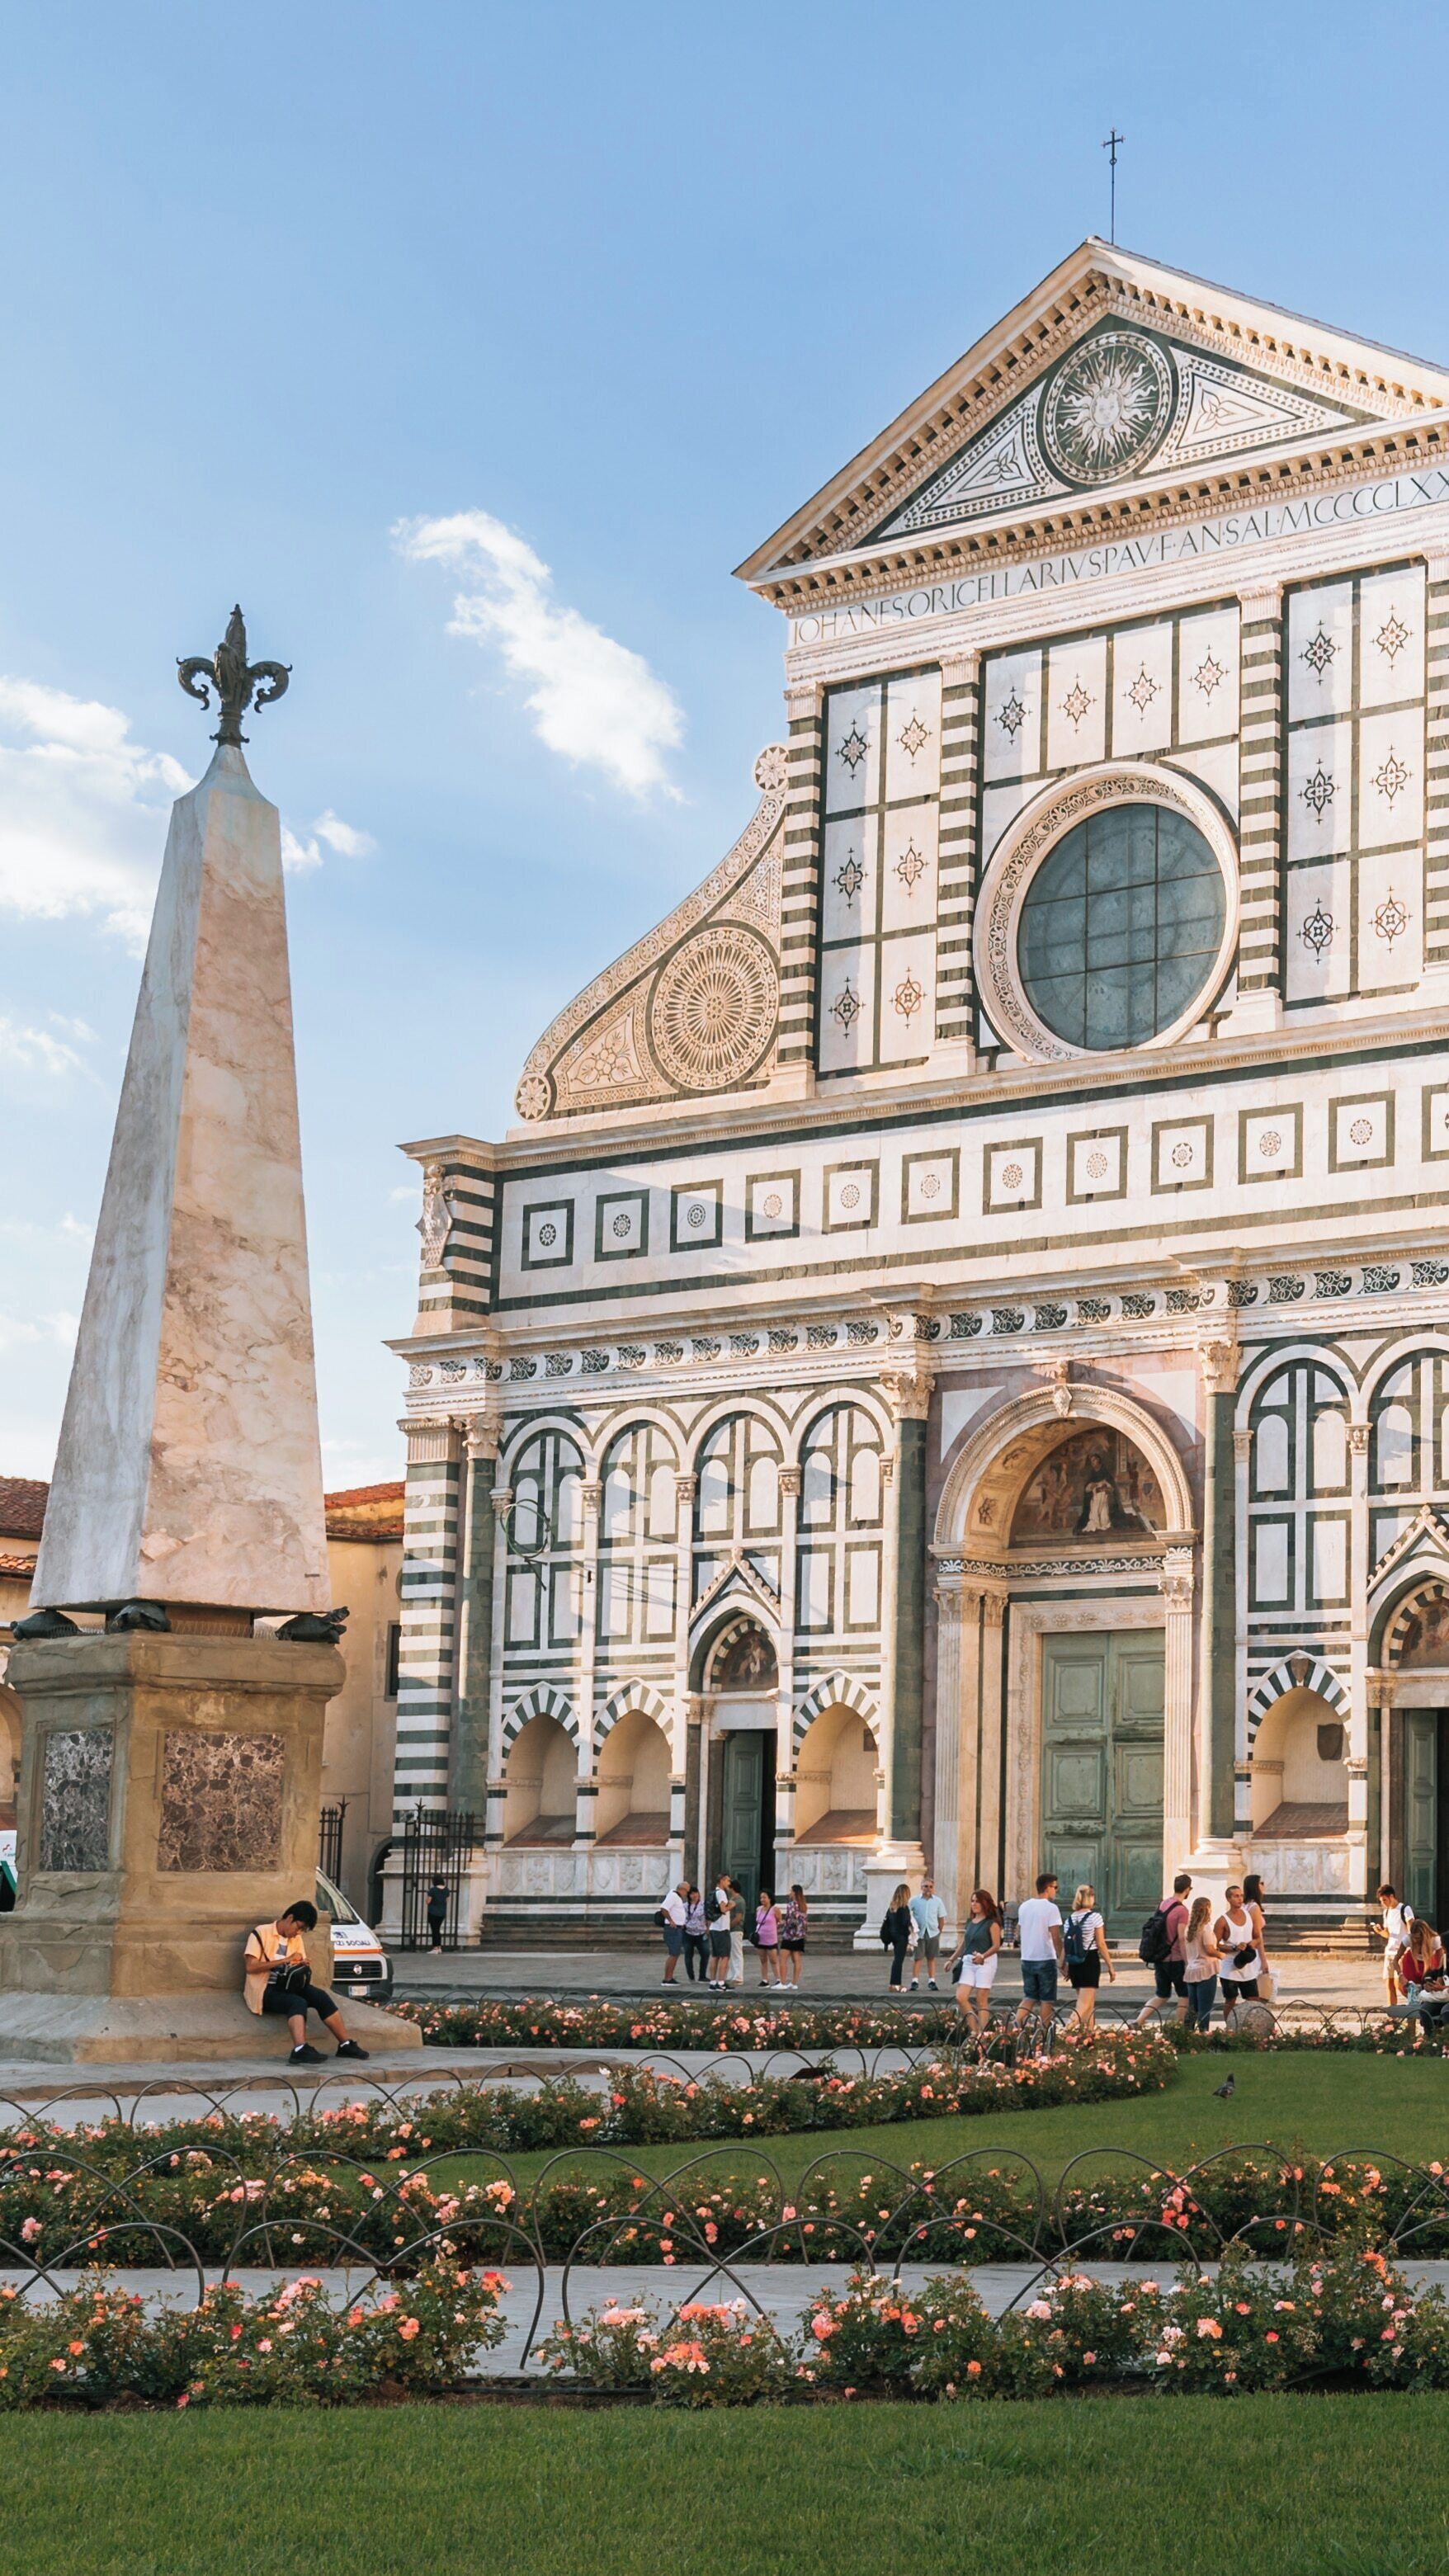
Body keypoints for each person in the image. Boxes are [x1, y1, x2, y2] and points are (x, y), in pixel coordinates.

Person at [243, 1901, 369, 2064]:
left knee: (320, 1996)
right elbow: (250, 1967)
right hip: (265, 1989)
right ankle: (300, 2049)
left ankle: (345, 2044)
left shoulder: (296, 1939)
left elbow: (296, 1961)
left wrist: (301, 1964)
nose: (298, 1933)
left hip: (289, 1985)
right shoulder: (261, 1933)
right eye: (298, 1927)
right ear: (290, 1918)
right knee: (297, 2003)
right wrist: (285, 1961)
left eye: (303, 1930)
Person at [1135, 1872, 1192, 2027]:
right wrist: (1187, 1961)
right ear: (1188, 1890)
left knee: (1162, 1994)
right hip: (1175, 1958)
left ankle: (1139, 2020)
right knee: (1184, 1994)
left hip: (1160, 1957)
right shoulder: (1182, 1911)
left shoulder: (1163, 1904)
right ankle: (1178, 2026)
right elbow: (1181, 1937)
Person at [1014, 1871, 1064, 2044]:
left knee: (1029, 1995)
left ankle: (1016, 2025)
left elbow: (1018, 1931)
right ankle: (1043, 2035)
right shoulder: (1051, 1908)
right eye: (1055, 1887)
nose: (1056, 1891)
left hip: (1027, 1958)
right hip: (1045, 1957)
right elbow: (1056, 1936)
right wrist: (1062, 1959)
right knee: (1047, 1998)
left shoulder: (1024, 1906)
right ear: (1047, 1888)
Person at [1062, 1881, 1115, 2033]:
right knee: (1084, 2005)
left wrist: (1063, 1964)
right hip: (1089, 1961)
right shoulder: (1095, 1917)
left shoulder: (1070, 1920)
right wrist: (1110, 1966)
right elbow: (1101, 1944)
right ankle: (1064, 2031)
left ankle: (1088, 2037)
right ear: (1090, 1897)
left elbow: (1066, 1944)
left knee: (1089, 2004)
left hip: (1075, 1963)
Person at [954, 1888, 1003, 2038]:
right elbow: (964, 1943)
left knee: (981, 1999)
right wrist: (952, 1958)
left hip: (986, 1962)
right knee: (961, 1997)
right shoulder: (970, 1922)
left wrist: (983, 1956)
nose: (974, 1904)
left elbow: (996, 1945)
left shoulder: (991, 1924)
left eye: (977, 1901)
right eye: (972, 1901)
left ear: (984, 1904)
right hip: (969, 1961)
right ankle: (973, 2030)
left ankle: (983, 2034)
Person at [1215, 1881, 1263, 2019]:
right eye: (1236, 1896)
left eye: (1241, 1896)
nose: (1240, 1899)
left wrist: (1252, 1944)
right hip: (1230, 1968)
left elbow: (1257, 1937)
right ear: (1229, 1899)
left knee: (1253, 1999)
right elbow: (1215, 1944)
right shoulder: (1222, 1921)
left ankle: (1252, 2027)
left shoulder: (1249, 1915)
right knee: (1230, 2001)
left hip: (1248, 1965)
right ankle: (1229, 2028)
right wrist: (1234, 1947)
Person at [1182, 1895, 1221, 2032]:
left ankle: (1186, 2033)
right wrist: (1221, 1955)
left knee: (1192, 2007)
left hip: (1192, 1969)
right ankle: (1204, 2033)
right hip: (1206, 1969)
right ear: (1208, 1910)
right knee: (1205, 2007)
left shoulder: (1189, 1929)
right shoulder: (1205, 1929)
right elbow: (1209, 1949)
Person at [1375, 1882, 1415, 2007]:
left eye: (1385, 1900)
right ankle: (1392, 2018)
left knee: (1401, 1985)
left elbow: (1412, 1930)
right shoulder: (1386, 1912)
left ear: (1392, 1896)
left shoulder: (1405, 1909)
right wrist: (1380, 1932)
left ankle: (1416, 2001)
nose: (1383, 1903)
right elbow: (1389, 1934)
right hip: (1390, 1952)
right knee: (1389, 1985)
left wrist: (1409, 1950)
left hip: (1402, 1953)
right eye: (1381, 1901)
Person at [908, 1876, 946, 1993]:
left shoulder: (938, 1901)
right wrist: (911, 1930)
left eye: (930, 1887)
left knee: (931, 1958)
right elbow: (907, 1914)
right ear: (921, 1887)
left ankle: (932, 1980)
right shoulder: (914, 1900)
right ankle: (915, 1980)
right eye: (925, 1886)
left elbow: (941, 1918)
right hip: (919, 1933)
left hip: (933, 1932)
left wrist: (939, 1931)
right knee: (918, 1958)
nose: (928, 1889)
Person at [1243, 1873, 1272, 2003]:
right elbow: (1258, 1935)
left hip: (1248, 1948)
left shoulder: (1245, 1906)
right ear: (1255, 1886)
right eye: (1262, 1883)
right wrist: (1264, 1960)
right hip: (1254, 1951)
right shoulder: (1254, 1908)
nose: (1264, 1886)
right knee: (1255, 1991)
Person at [880, 1881, 914, 1989]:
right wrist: (910, 1933)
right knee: (899, 1961)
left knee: (897, 1960)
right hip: (901, 1937)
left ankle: (893, 1983)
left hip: (893, 1936)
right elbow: (905, 1923)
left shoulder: (892, 1907)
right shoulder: (904, 1908)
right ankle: (895, 1984)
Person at [776, 1884, 808, 1986]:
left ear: (794, 1893)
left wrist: (783, 1924)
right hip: (799, 1935)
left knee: (782, 1959)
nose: (789, 1893)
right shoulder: (803, 1905)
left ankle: (782, 1982)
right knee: (796, 1959)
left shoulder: (791, 1905)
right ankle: (794, 1983)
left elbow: (791, 1920)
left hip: (790, 1935)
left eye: (791, 1891)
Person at [659, 1880, 688, 1984]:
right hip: (673, 1929)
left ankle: (669, 1977)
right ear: (682, 1889)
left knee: (675, 1954)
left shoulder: (676, 1897)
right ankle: (667, 1978)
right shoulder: (673, 1896)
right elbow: (664, 1908)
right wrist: (671, 1921)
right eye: (687, 1891)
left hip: (678, 1929)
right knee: (674, 1953)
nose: (687, 1894)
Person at [706, 1877, 732, 1989]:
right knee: (725, 1956)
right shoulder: (721, 1893)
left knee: (715, 1956)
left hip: (714, 1927)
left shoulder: (714, 1893)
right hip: (722, 1928)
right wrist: (731, 1905)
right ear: (722, 1881)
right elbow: (723, 1909)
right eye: (727, 1881)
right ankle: (721, 1982)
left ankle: (712, 1982)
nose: (729, 1883)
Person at [682, 1885, 709, 1982]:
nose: (694, 1895)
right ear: (689, 1895)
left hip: (701, 1933)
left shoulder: (704, 1905)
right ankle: (691, 1976)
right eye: (692, 1894)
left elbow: (708, 1917)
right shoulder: (685, 1906)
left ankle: (702, 1976)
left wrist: (708, 1929)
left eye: (696, 1893)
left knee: (706, 1953)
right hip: (688, 1933)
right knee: (688, 1955)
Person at [726, 1877, 746, 1986]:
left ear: (732, 1888)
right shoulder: (731, 1900)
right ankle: (731, 1974)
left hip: (736, 1930)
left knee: (737, 1952)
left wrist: (728, 1927)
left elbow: (738, 1918)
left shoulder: (739, 1901)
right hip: (731, 1930)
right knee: (730, 1952)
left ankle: (738, 1976)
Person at [424, 1877, 449, 1951]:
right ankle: (439, 1947)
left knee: (434, 1930)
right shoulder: (446, 1890)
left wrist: (428, 1895)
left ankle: (436, 1947)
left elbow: (428, 1901)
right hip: (442, 1912)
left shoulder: (433, 1890)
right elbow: (446, 1901)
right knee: (437, 1929)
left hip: (433, 1912)